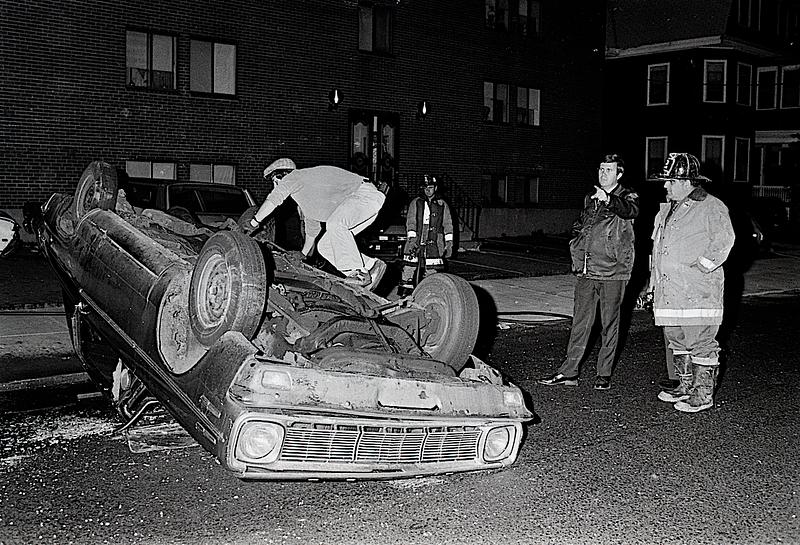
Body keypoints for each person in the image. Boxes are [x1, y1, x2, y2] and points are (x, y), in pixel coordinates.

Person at [538, 154, 639, 390]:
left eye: (609, 170)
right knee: (580, 322)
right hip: (587, 270)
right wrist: (576, 241)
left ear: (619, 174)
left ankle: (603, 373)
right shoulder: (590, 198)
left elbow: (631, 211)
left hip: (613, 271)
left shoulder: (627, 196)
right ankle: (569, 372)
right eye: (601, 169)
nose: (603, 174)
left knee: (609, 323)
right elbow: (581, 225)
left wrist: (609, 200)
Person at [648, 153, 735, 413]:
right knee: (675, 339)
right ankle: (685, 386)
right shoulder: (666, 209)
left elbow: (724, 240)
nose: (666, 186)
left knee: (701, 341)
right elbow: (658, 250)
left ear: (687, 181)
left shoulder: (711, 206)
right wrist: (652, 285)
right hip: (669, 292)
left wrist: (702, 267)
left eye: (670, 181)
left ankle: (702, 394)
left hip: (697, 292)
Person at [247, 158, 387, 290]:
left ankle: (359, 273)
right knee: (325, 245)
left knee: (336, 224)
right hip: (364, 203)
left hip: (365, 194)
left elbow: (274, 200)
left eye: (274, 180)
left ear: (281, 175)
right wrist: (303, 254)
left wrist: (254, 222)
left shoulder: (294, 177)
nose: (274, 186)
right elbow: (312, 231)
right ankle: (371, 266)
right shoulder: (307, 195)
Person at [397, 175, 454, 297]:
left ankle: (428, 293)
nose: (428, 190)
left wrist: (449, 243)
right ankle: (405, 295)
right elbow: (411, 220)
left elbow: (448, 224)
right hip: (417, 237)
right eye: (425, 187)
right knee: (409, 266)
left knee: (432, 268)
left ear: (436, 188)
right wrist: (412, 238)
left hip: (434, 240)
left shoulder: (442, 204)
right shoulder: (416, 202)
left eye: (431, 187)